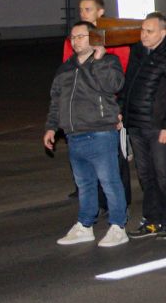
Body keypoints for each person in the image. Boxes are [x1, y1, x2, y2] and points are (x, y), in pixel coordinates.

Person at [45, 22, 129, 247]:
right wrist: (52, 127)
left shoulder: (108, 61)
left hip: (100, 131)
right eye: (72, 37)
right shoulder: (66, 67)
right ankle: (85, 225)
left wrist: (100, 60)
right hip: (74, 134)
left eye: (81, 36)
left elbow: (114, 85)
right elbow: (56, 100)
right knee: (85, 184)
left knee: (109, 181)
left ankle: (118, 226)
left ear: (93, 37)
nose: (75, 41)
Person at [120, 12, 166, 240]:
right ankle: (151, 218)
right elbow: (129, 84)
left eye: (149, 31)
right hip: (136, 124)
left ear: (163, 32)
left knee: (163, 175)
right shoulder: (138, 51)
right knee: (145, 174)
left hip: (158, 126)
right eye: (142, 30)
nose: (144, 35)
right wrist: (122, 111)